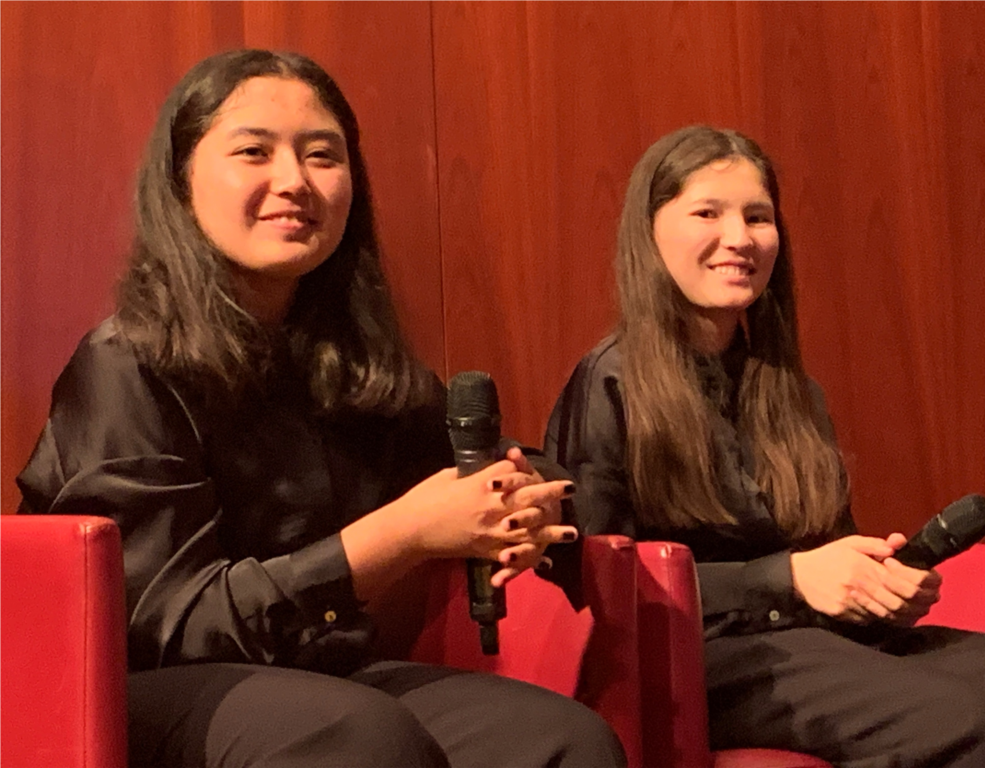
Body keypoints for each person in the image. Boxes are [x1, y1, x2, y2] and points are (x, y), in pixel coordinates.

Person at [17, 49, 626, 768]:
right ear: (181, 182)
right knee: (356, 734)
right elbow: (168, 623)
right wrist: (400, 534)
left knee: (564, 742)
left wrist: (529, 504)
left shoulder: (357, 364)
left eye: (322, 156)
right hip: (134, 692)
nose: (294, 182)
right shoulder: (122, 366)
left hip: (318, 681)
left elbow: (492, 468)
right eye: (254, 152)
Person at [546, 125, 985, 766]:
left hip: (817, 640)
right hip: (703, 656)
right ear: (649, 233)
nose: (739, 238)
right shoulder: (610, 380)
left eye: (757, 217)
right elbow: (596, 586)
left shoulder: (791, 388)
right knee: (967, 723)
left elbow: (823, 552)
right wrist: (785, 579)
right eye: (708, 212)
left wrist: (876, 589)